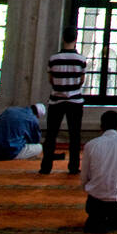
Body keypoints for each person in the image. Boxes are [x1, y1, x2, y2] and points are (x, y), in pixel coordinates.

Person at [40, 28, 86, 176]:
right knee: (74, 135)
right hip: (75, 101)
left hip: (56, 101)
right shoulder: (81, 59)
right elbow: (81, 81)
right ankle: (73, 167)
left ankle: (46, 167)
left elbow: (50, 80)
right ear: (75, 39)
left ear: (63, 39)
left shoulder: (53, 59)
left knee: (51, 135)